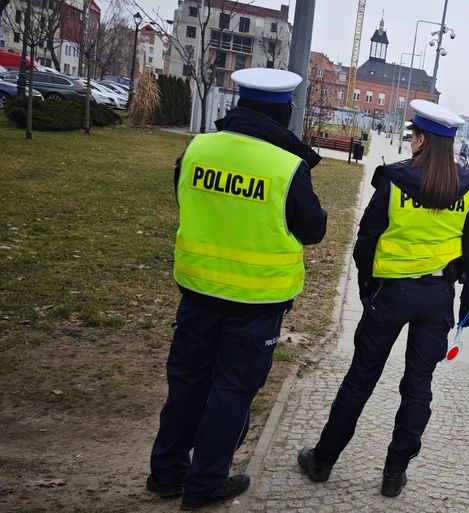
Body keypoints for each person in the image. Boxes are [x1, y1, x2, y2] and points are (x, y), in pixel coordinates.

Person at [146, 68, 326, 511]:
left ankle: (166, 472)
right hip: (255, 302)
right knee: (231, 391)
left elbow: (183, 196)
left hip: (198, 289)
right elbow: (314, 229)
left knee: (186, 381)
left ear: (239, 104)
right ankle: (205, 483)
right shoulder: (286, 167)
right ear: (284, 112)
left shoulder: (198, 148)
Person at [296, 100, 469, 498]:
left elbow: (366, 242)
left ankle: (323, 461)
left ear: (419, 140)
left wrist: (368, 289)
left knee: (361, 378)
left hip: (390, 294)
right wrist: (468, 303)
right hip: (437, 297)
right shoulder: (466, 188)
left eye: (413, 135)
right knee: (418, 386)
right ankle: (393, 475)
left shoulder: (395, 180)